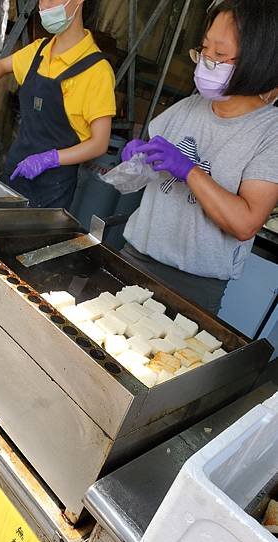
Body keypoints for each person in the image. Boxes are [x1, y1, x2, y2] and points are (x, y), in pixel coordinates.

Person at [118, 0, 278, 314]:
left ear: (259, 59)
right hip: (133, 258)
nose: (206, 62)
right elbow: (143, 179)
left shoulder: (269, 133)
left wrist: (189, 171)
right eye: (203, 51)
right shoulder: (187, 108)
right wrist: (136, 160)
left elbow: (245, 223)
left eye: (219, 55)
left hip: (192, 288)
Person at [0, 0, 116, 209]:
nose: (43, 6)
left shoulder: (97, 71)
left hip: (52, 188)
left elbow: (99, 143)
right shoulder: (38, 51)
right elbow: (1, 66)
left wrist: (50, 159)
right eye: (41, 0)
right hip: (16, 171)